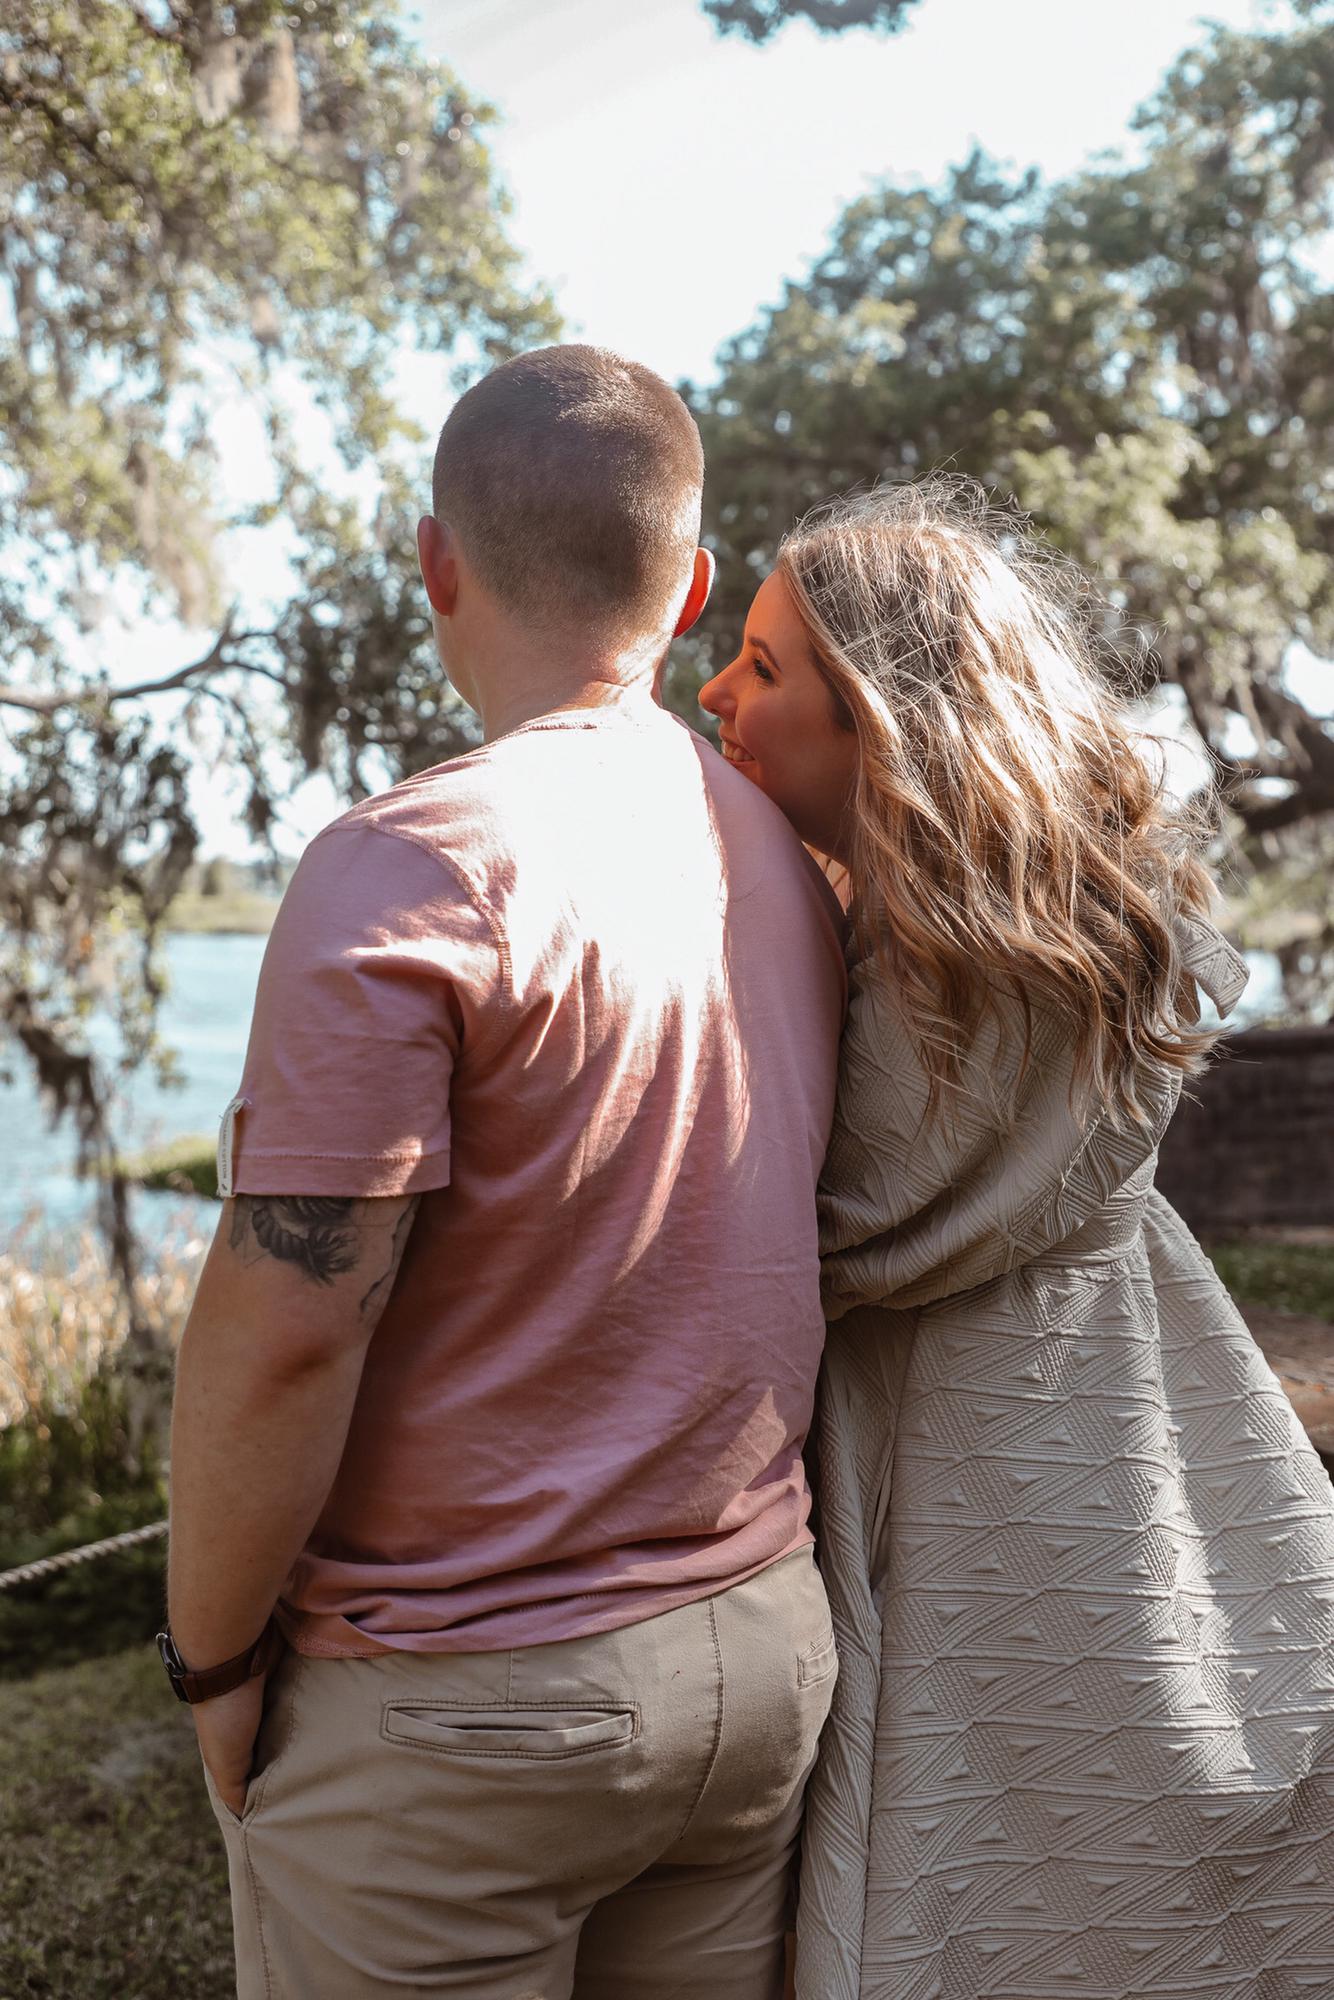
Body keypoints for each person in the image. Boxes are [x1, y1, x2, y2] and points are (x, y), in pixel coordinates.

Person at [163, 344, 849, 1999]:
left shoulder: (406, 865)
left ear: (435, 562)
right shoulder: (786, 853)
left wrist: (212, 1664)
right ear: (691, 588)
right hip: (753, 1659)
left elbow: (288, 1332)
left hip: (461, 1710)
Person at [699, 478, 1334, 2000]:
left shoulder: (884, 989)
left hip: (1000, 1465)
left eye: (764, 666)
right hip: (1140, 1411)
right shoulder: (1086, 927)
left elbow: (804, 1233)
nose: (713, 690)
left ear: (882, 727)